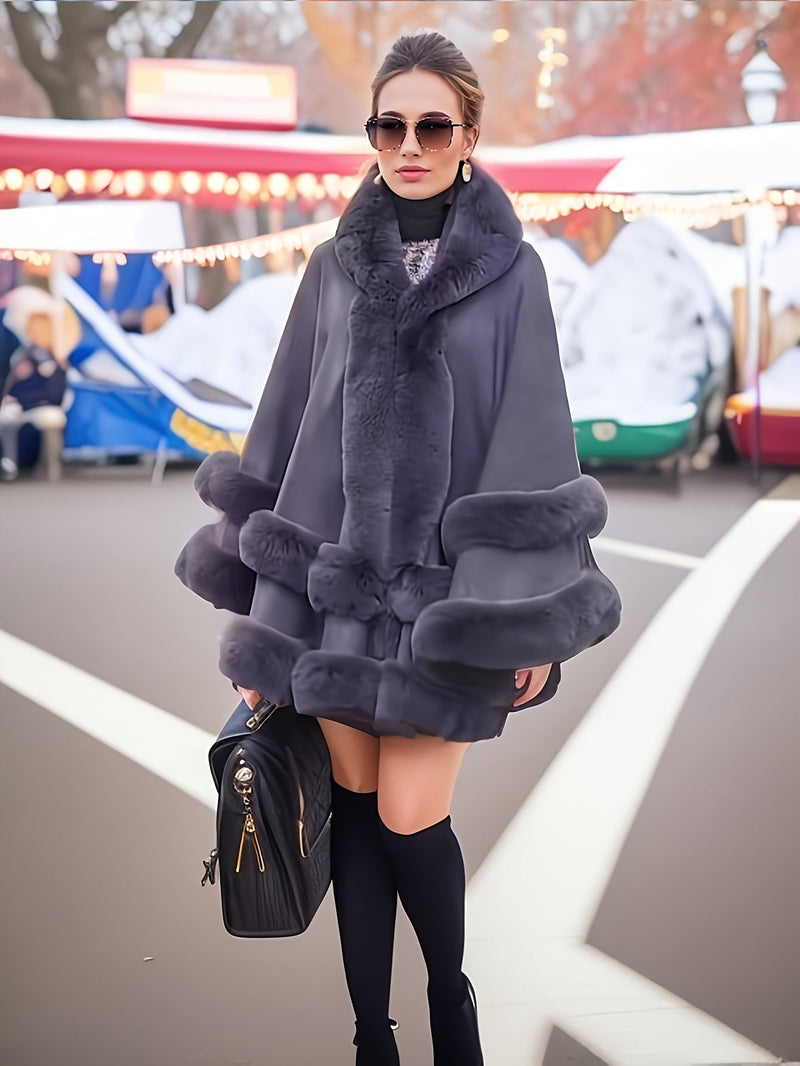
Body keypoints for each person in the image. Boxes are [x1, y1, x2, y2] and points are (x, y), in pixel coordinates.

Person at [176, 31, 620, 1066]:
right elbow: (287, 435)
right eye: (389, 124)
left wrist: (520, 616)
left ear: (466, 138)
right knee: (363, 818)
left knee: (415, 820)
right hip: (335, 610)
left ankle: (449, 1010)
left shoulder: (513, 277)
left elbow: (530, 449)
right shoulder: (333, 271)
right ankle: (371, 1035)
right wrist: (269, 631)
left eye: (431, 126)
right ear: (371, 134)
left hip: (442, 610)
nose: (408, 144)